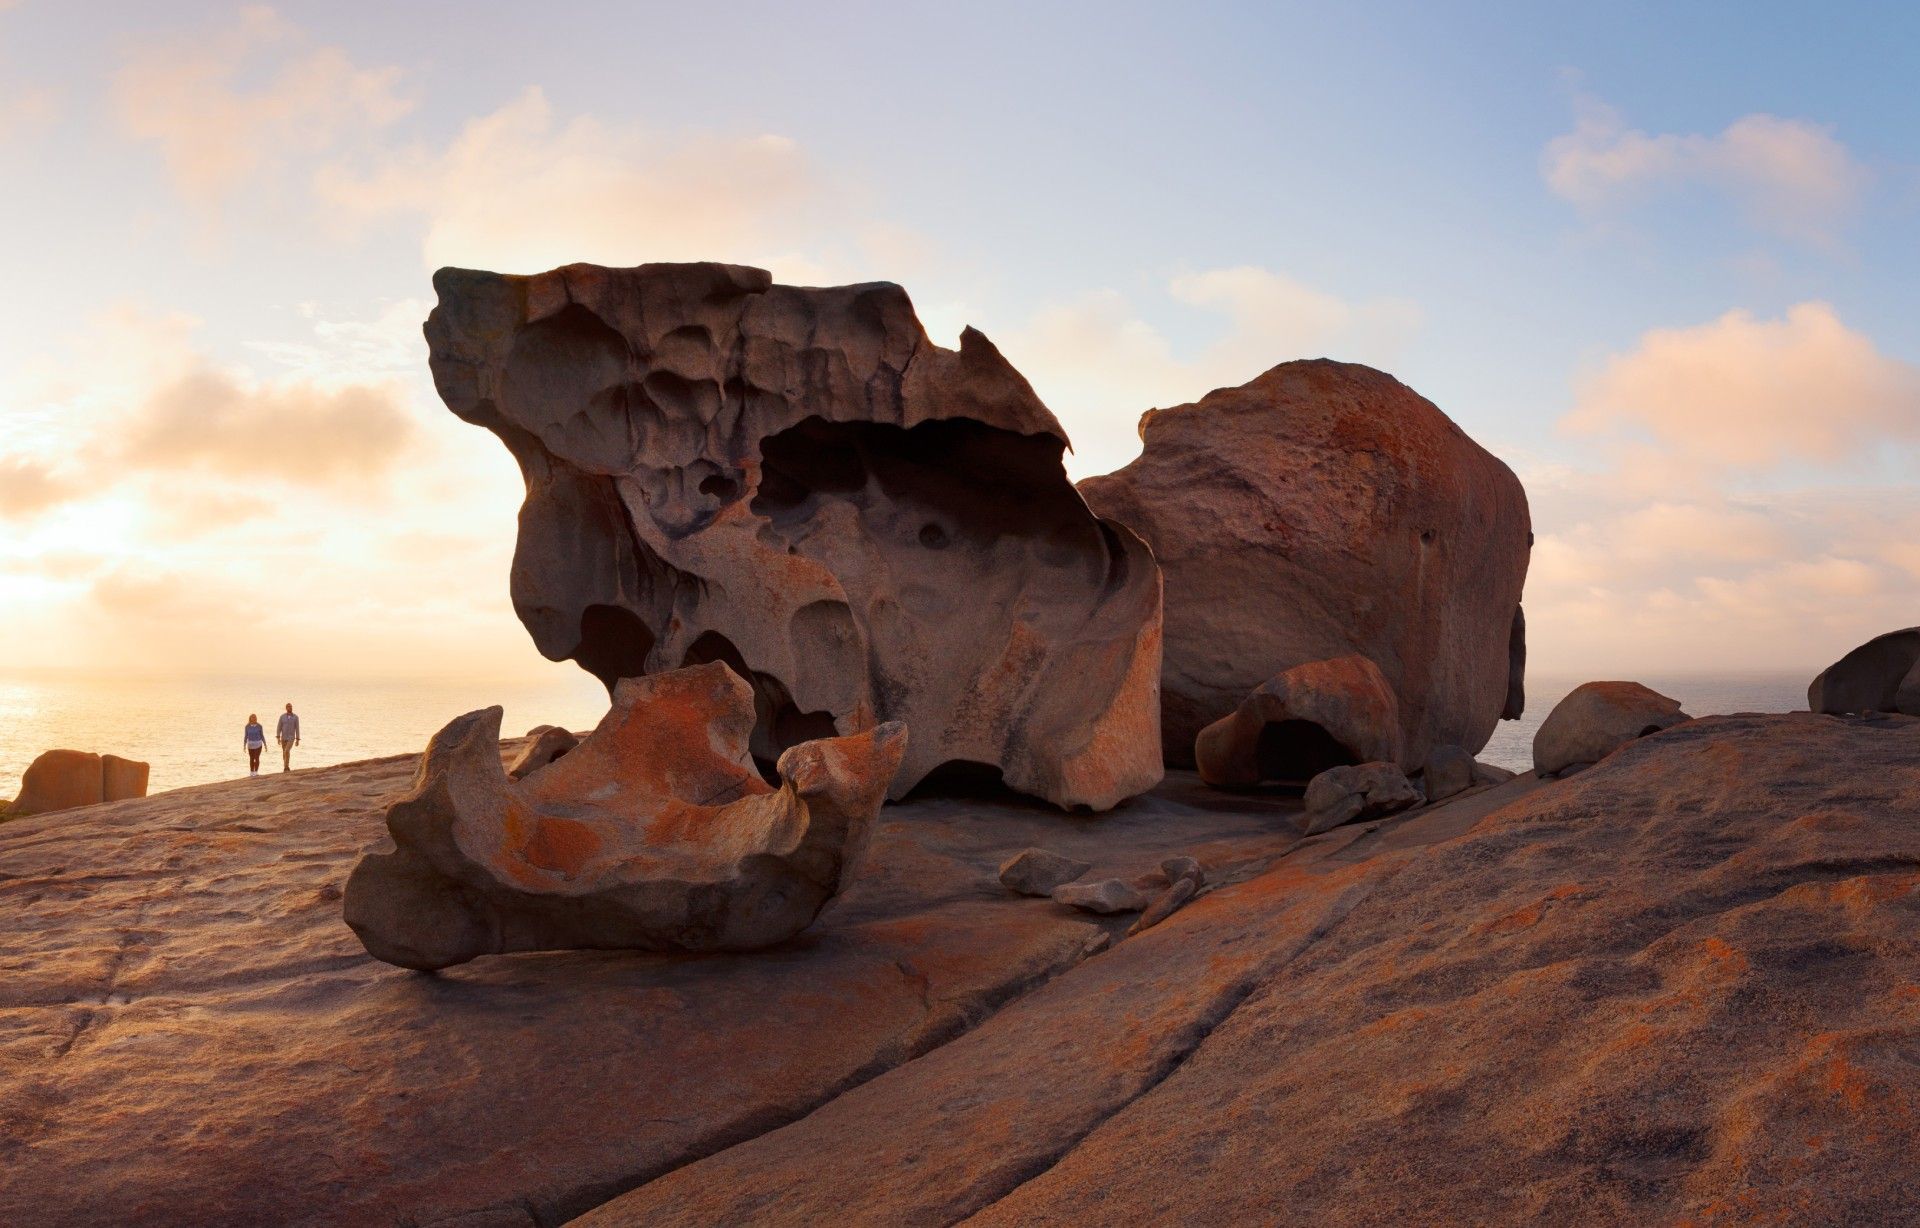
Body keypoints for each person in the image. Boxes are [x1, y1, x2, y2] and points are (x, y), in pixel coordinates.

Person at [276, 703, 301, 772]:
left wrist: (297, 739)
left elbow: (297, 728)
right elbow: (279, 727)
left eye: (290, 707)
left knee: (287, 751)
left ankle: (286, 766)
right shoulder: (282, 717)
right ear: (286, 708)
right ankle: (286, 766)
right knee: (284, 752)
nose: (290, 708)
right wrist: (278, 737)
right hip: (283, 737)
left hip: (291, 738)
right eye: (288, 707)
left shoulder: (295, 717)